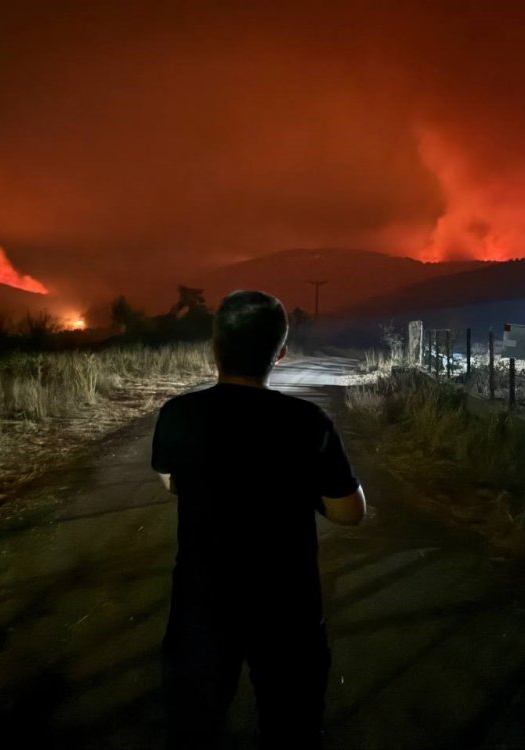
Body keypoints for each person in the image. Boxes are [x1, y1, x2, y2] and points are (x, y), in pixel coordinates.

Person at [151, 290, 366, 749]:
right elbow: (350, 513)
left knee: (192, 730)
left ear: (214, 348)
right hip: (288, 609)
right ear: (280, 353)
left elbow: (171, 483)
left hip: (201, 606)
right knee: (293, 729)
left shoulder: (178, 415)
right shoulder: (309, 423)